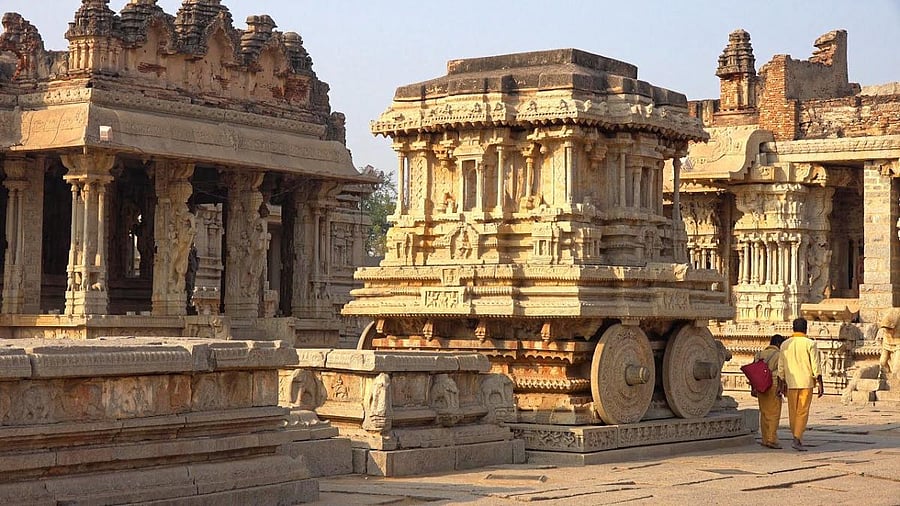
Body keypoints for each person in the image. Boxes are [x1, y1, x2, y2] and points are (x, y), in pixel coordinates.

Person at [777, 317, 824, 451]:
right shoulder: (810, 343)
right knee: (802, 411)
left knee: (793, 411)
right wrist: (820, 383)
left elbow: (781, 367)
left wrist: (780, 383)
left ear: (793, 328)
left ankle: (795, 435)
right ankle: (797, 438)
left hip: (791, 382)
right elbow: (815, 364)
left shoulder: (785, 344)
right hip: (806, 382)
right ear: (805, 328)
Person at [756, 334, 786, 449]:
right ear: (779, 344)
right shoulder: (779, 355)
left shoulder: (760, 354)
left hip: (760, 385)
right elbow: (780, 373)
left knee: (764, 412)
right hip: (773, 385)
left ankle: (765, 438)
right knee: (774, 413)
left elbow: (754, 371)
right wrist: (781, 387)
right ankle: (771, 439)